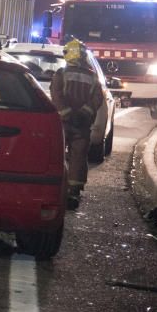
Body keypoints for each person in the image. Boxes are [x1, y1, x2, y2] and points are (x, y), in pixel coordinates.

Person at [51, 39, 104, 209]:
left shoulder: (61, 73)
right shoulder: (92, 76)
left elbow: (57, 95)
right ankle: (74, 191)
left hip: (63, 124)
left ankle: (55, 187)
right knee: (79, 157)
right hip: (82, 124)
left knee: (56, 154)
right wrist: (83, 114)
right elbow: (97, 99)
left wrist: (66, 113)